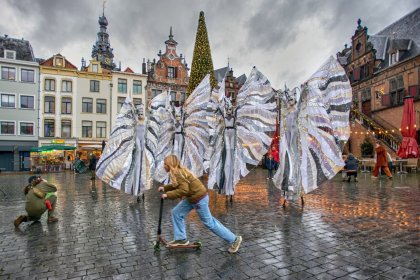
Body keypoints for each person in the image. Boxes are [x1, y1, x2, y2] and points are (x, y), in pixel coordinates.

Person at [158, 155, 242, 253]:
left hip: (199, 199)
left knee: (209, 223)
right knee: (176, 212)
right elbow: (178, 185)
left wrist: (167, 195)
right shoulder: (178, 172)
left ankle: (234, 240)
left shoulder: (178, 173)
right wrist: (165, 188)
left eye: (165, 164)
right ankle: (181, 238)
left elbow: (184, 190)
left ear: (170, 164)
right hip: (192, 197)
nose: (164, 166)